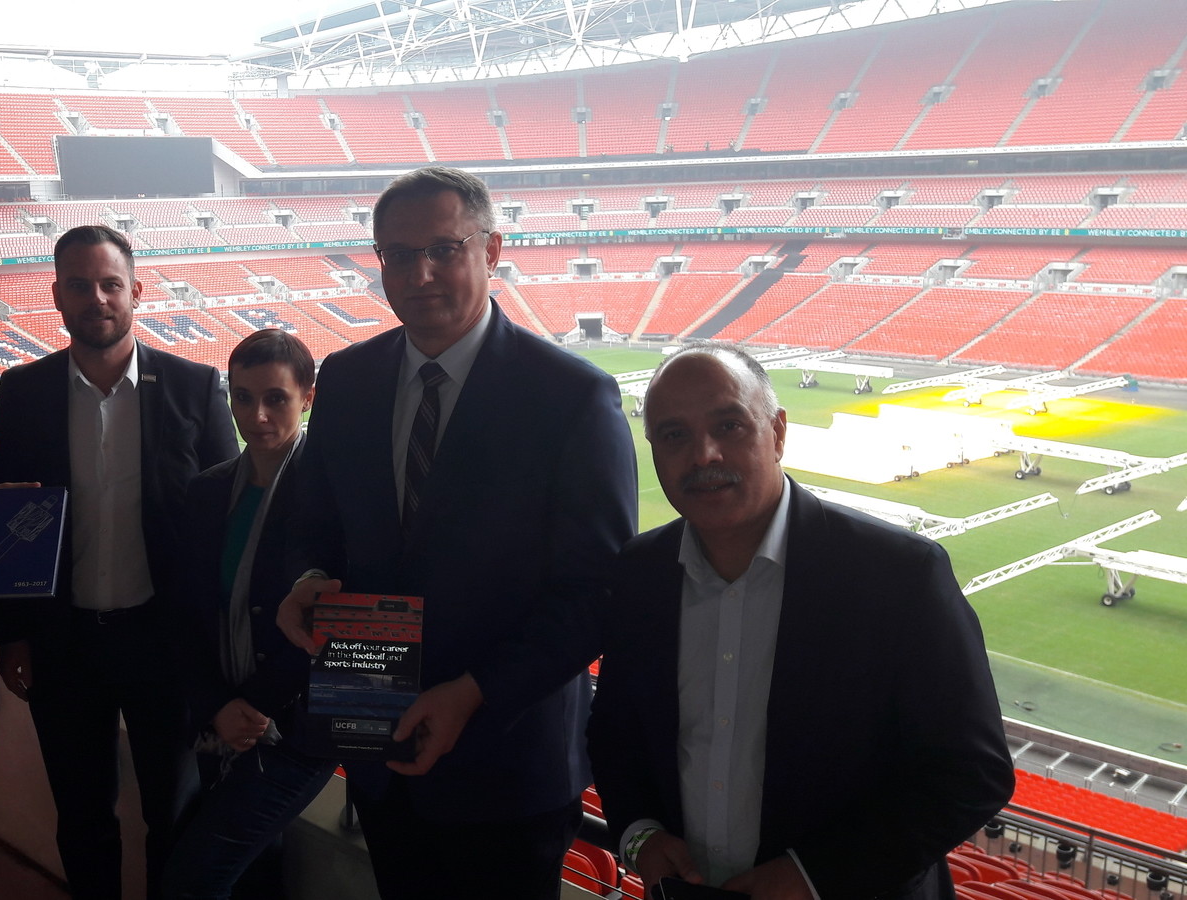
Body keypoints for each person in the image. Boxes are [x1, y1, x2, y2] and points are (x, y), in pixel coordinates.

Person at [274, 165, 639, 900]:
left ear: (492, 250)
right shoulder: (347, 379)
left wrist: (474, 692)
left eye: (444, 249)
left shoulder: (571, 396)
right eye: (399, 255)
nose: (421, 274)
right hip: (379, 749)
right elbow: (311, 521)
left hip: (506, 768)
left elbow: (597, 592)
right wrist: (307, 583)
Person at [587, 341, 1015, 900]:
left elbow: (972, 770)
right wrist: (641, 835)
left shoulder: (899, 574)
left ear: (778, 432)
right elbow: (616, 731)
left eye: (729, 426)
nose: (703, 455)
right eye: (674, 435)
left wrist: (814, 876)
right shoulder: (640, 573)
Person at [0, 224, 236, 899]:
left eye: (110, 284)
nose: (96, 298)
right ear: (57, 296)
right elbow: (8, 520)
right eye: (79, 285)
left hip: (164, 641)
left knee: (174, 812)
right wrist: (12, 633)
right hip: (63, 643)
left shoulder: (193, 387)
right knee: (82, 813)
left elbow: (226, 520)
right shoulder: (23, 392)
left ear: (136, 292)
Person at [161, 329, 332, 899]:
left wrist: (254, 705)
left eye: (275, 398)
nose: (256, 416)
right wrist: (217, 704)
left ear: (307, 397)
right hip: (222, 720)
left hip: (293, 729)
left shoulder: (332, 496)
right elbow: (185, 612)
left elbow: (327, 623)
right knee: (254, 873)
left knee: (192, 877)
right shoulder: (208, 491)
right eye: (243, 397)